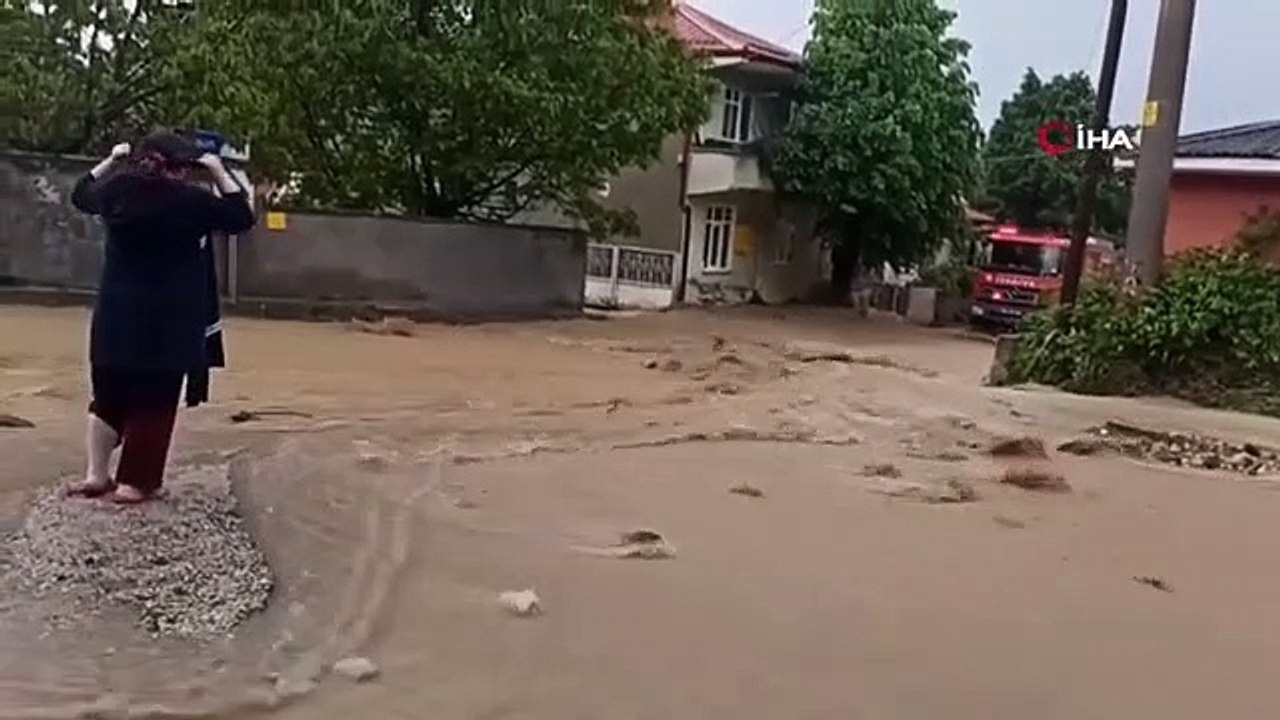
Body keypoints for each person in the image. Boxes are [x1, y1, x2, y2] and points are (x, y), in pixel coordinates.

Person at [67, 132, 255, 504]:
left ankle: (96, 475)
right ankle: (134, 483)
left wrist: (111, 158)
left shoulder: (116, 190)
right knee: (154, 400)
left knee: (107, 394)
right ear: (177, 168)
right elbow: (241, 216)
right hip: (168, 319)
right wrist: (217, 169)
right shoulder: (190, 202)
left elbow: (80, 192)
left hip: (115, 314)